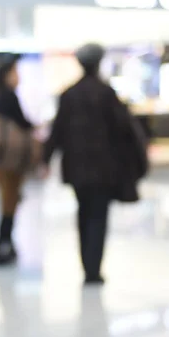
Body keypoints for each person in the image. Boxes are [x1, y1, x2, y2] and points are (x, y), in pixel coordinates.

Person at [42, 43, 137, 285]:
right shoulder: (106, 94)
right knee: (98, 216)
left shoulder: (69, 95)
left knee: (84, 214)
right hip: (104, 169)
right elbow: (123, 130)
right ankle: (93, 269)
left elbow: (57, 131)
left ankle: (87, 265)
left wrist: (45, 159)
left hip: (76, 169)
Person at [0, 59, 34, 266]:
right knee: (9, 202)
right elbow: (22, 124)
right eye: (15, 72)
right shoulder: (8, 98)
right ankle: (3, 246)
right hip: (10, 159)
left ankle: (6, 244)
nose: (18, 76)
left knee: (8, 201)